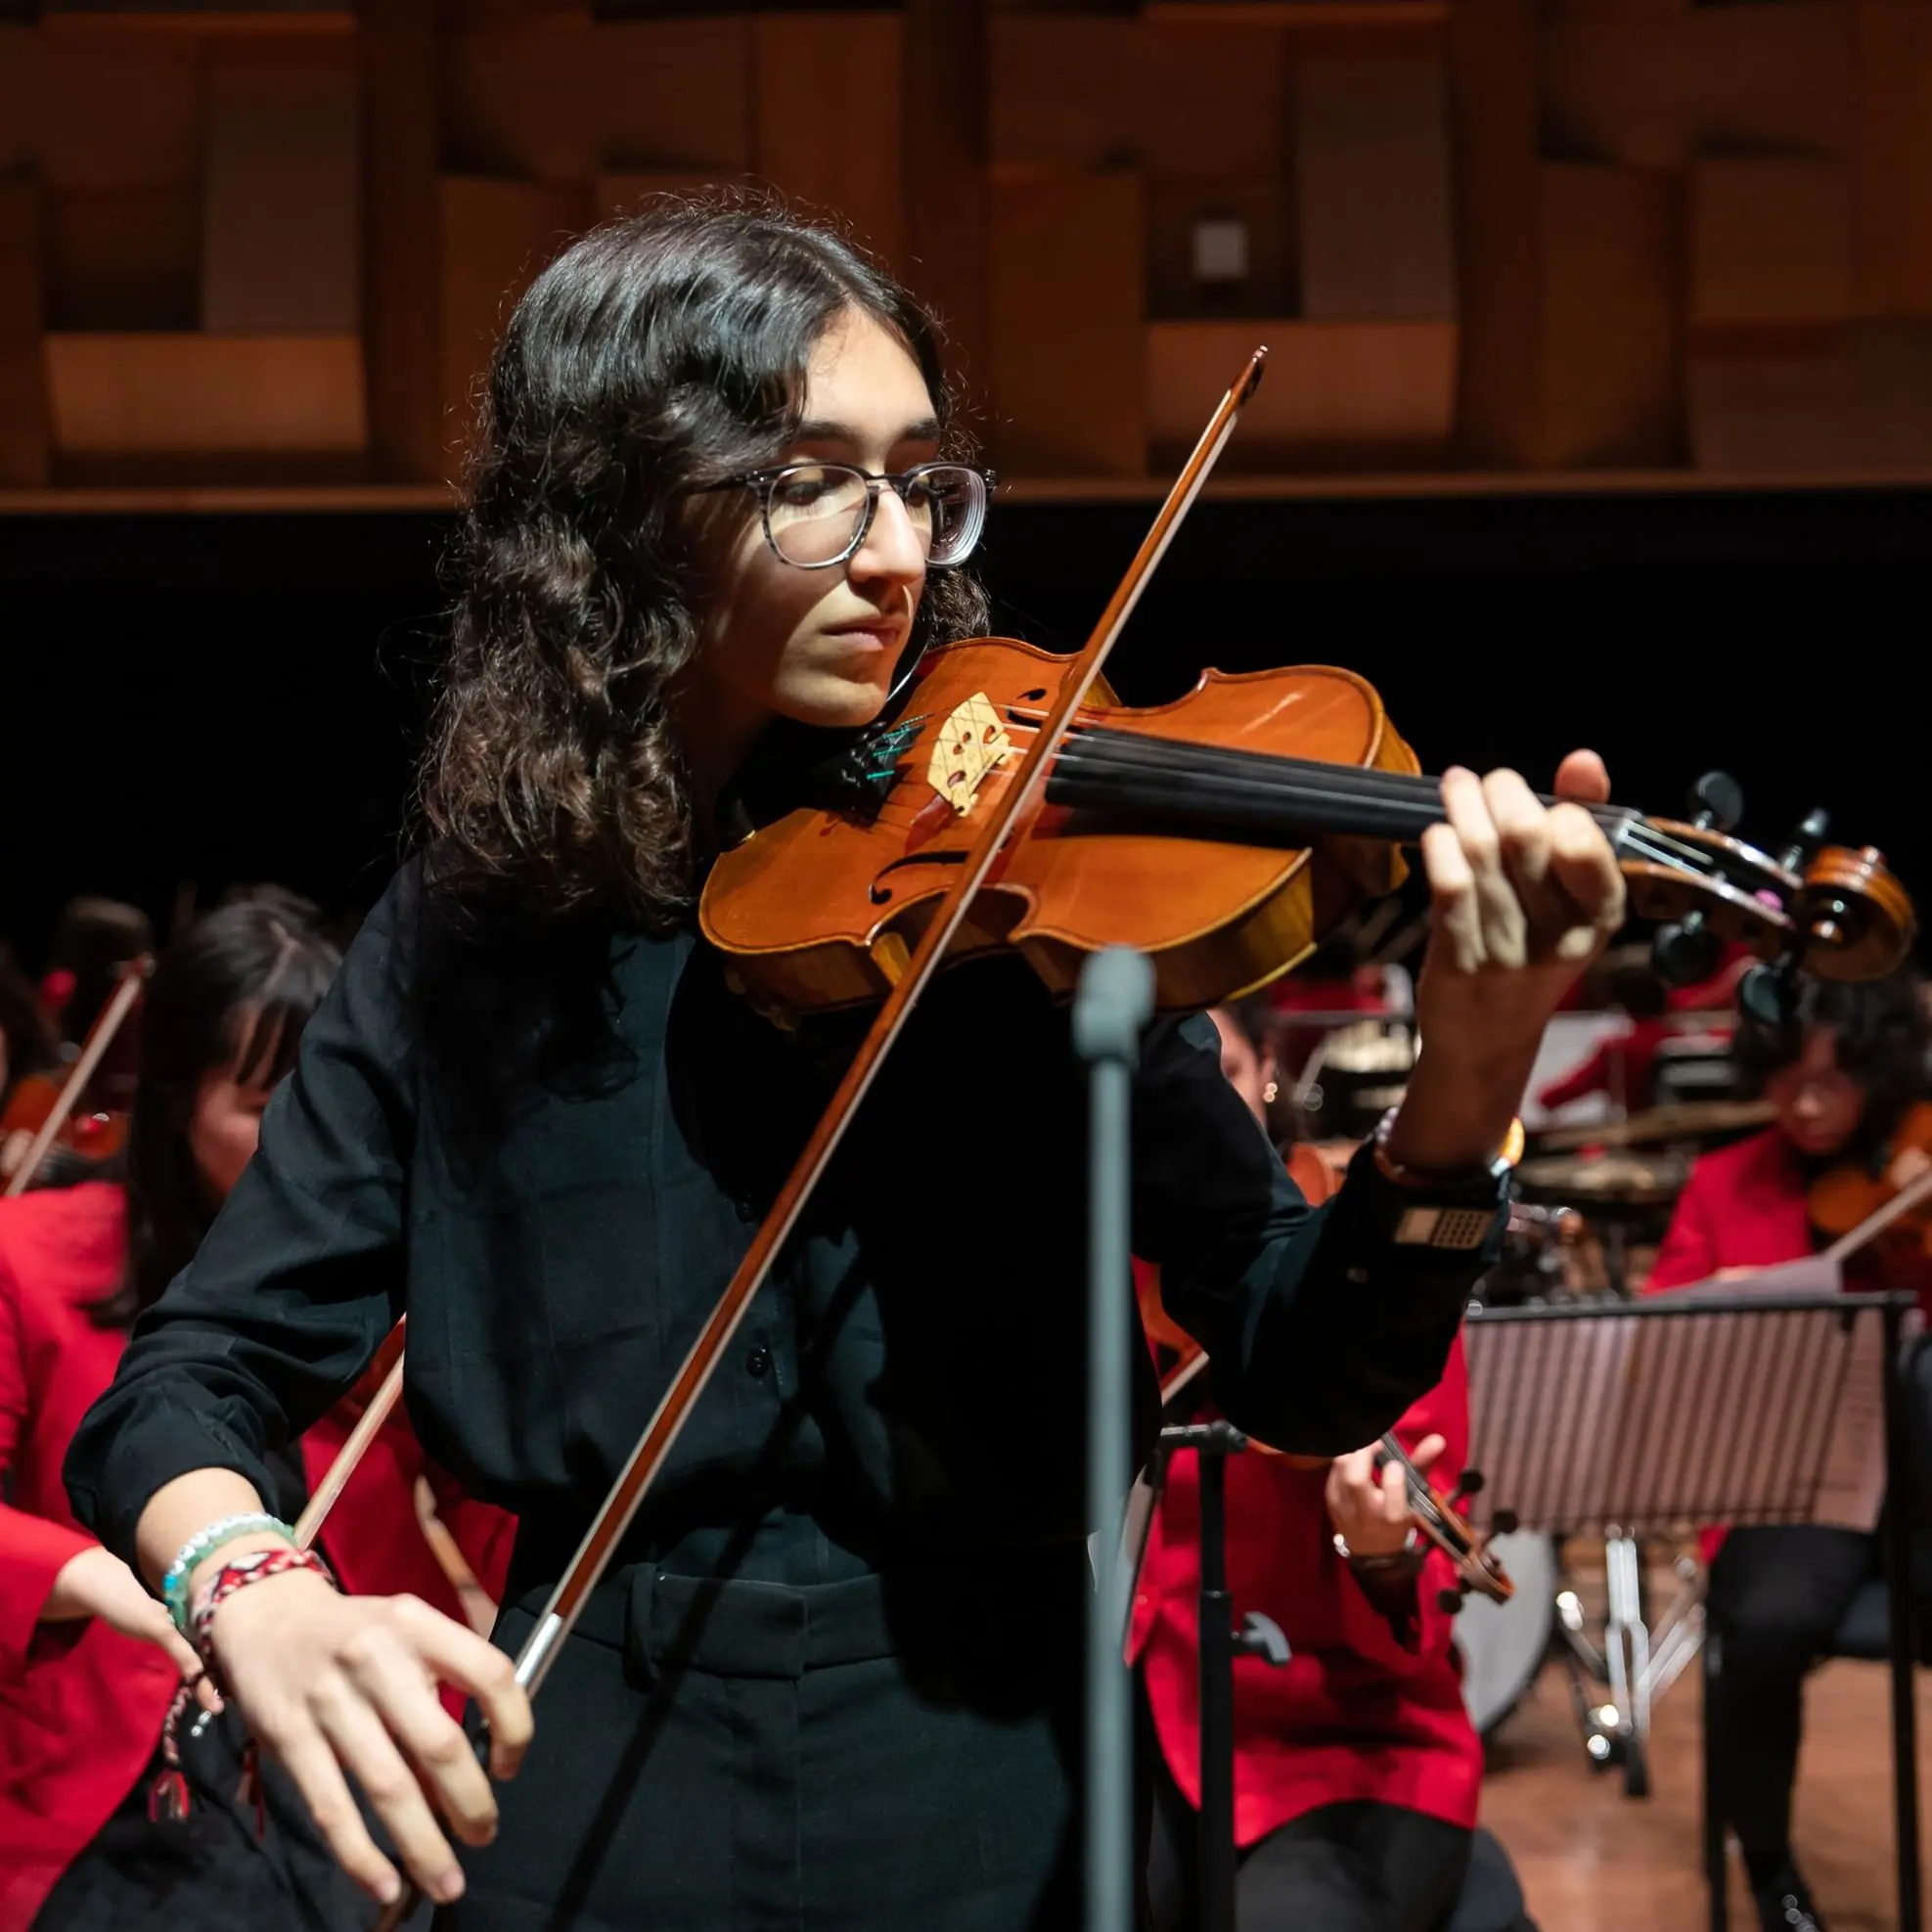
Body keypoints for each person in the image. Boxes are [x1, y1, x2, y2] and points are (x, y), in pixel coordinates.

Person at [65, 198, 1625, 1930]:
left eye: (917, 480)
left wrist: (1466, 1085)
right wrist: (253, 1583)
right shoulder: (479, 930)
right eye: (812, 478)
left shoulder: (1011, 902)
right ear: (625, 506)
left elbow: (1298, 1356)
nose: (893, 551)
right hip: (595, 1775)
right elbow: (199, 1367)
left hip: (1002, 1769)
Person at [3, 896, 510, 1932]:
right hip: (113, 1797)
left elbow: (502, 1507)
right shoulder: (27, 1256)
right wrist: (80, 1570)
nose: (308, 1148)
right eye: (264, 1103)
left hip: (361, 1771)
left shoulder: (391, 1288)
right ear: (180, 1099)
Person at [1135, 1008, 1531, 1932]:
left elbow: (1415, 1625)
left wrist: (1380, 1550)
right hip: (1144, 1739)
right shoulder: (1106, 1276)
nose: (1198, 1113)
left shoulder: (1354, 1292)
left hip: (1335, 1760)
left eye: (1221, 1074)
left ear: (1266, 1074)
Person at [1645, 969, 1929, 1932]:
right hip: (1800, 1480)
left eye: (1835, 1081)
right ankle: (1769, 1868)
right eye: (1788, 1080)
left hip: (1922, 1476)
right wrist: (1727, 1299)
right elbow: (1657, 1336)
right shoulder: (1724, 1180)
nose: (1806, 1105)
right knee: (1759, 1627)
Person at [1534, 954, 1671, 1117]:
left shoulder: (1618, 1050)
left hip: (1643, 1136)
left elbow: (1551, 1098)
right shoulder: (1691, 1038)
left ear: (1621, 1002)